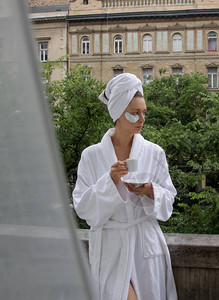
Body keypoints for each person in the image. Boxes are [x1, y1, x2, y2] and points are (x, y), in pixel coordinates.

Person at [73, 73, 178, 300]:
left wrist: (150, 190)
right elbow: (82, 208)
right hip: (110, 246)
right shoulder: (91, 156)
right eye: (134, 113)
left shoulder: (154, 152)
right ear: (118, 114)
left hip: (144, 243)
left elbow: (169, 199)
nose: (142, 119)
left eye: (143, 112)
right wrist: (109, 181)